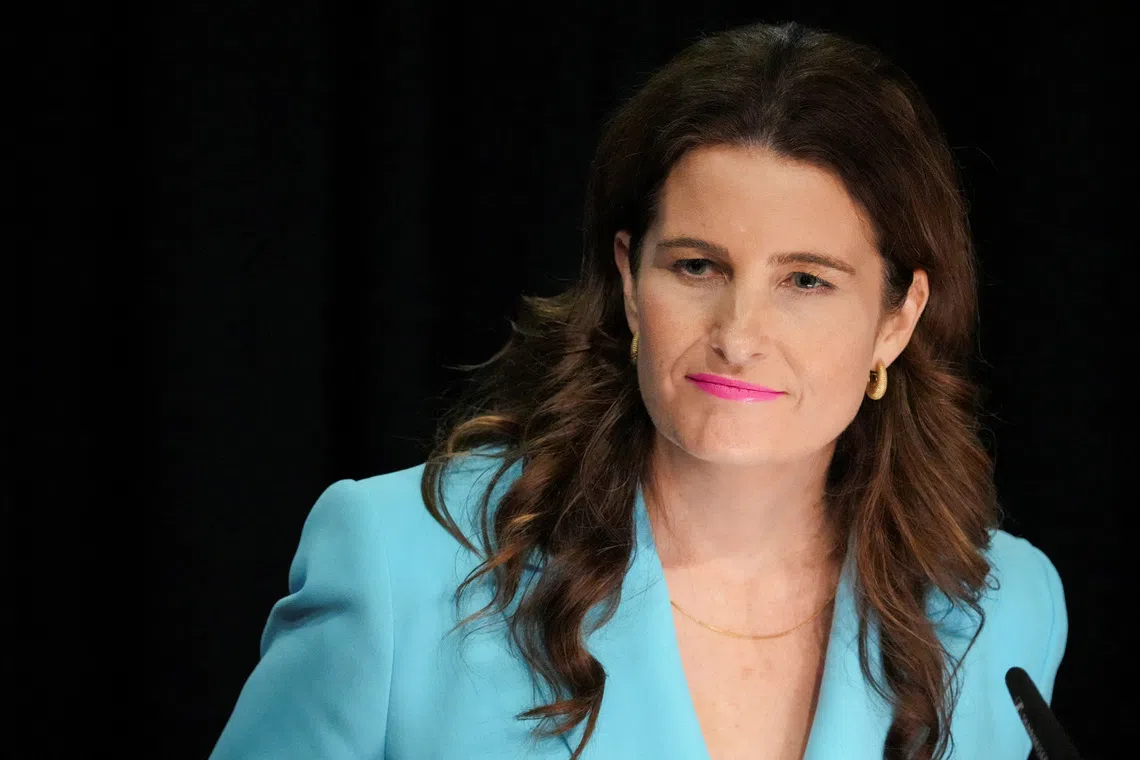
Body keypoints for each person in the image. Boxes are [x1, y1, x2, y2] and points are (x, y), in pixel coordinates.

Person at [209, 20, 1067, 760]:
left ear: (897, 318)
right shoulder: (397, 567)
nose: (737, 335)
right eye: (697, 266)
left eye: (806, 281)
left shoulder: (999, 611)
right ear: (627, 280)